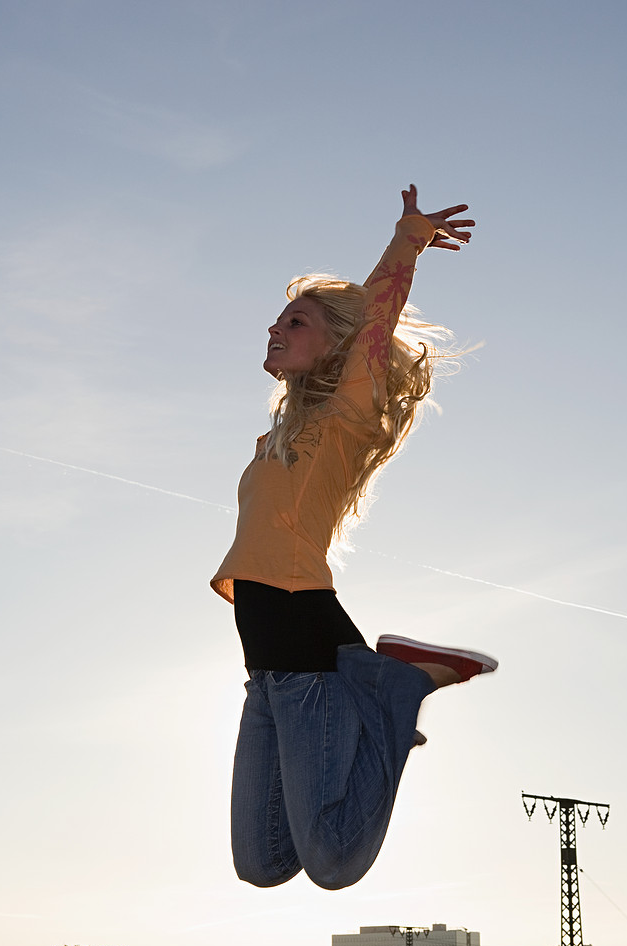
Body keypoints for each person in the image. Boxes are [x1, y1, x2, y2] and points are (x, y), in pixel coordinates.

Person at [211, 185, 497, 891]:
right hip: (268, 669)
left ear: (339, 343)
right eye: (276, 321)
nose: (275, 330)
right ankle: (379, 705)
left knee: (334, 862)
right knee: (262, 861)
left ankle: (393, 693)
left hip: (309, 652)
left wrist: (408, 240)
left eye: (296, 321)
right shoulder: (276, 439)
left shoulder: (343, 422)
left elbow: (373, 321)